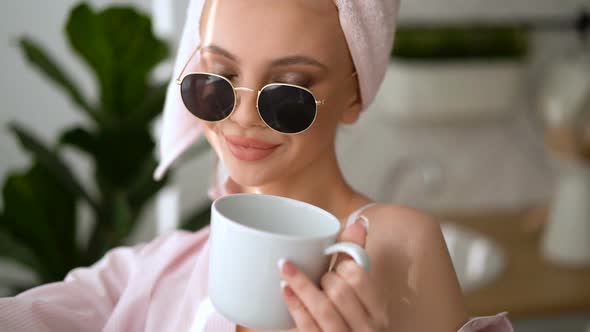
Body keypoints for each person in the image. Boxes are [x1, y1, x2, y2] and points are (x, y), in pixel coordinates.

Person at [0, 0, 514, 331]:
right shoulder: (159, 270)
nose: (242, 116)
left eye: (288, 90)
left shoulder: (399, 248)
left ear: (355, 94)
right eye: (217, 79)